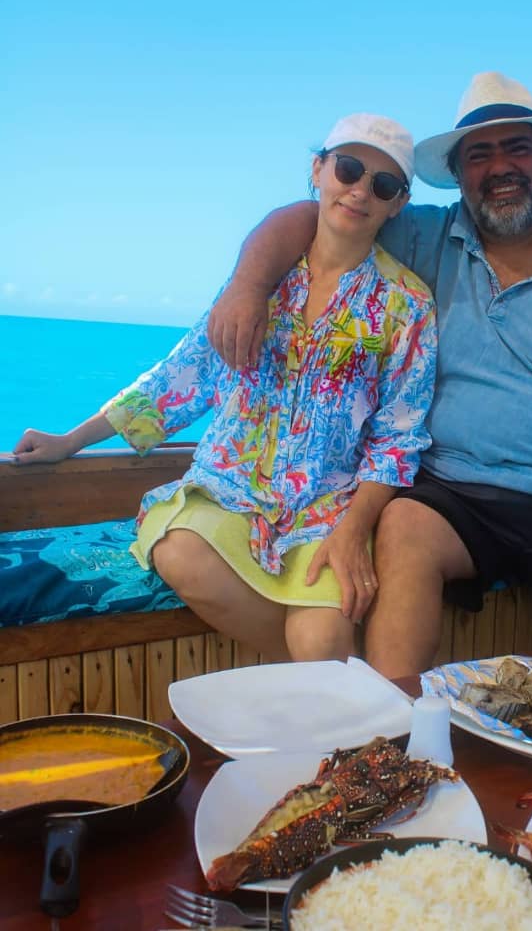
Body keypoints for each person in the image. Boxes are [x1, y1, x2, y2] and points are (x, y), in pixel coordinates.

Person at [206, 73, 532, 677]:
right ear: (460, 173)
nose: (500, 167)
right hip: (461, 498)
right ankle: (392, 725)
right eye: (480, 154)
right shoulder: (422, 236)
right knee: (404, 525)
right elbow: (315, 218)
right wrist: (248, 285)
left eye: (517, 148)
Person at [12, 113, 437, 663]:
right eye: (349, 169)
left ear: (397, 203)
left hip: (327, 508)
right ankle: (328, 685)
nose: (359, 191)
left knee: (322, 637)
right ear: (318, 169)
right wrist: (72, 440)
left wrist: (355, 531)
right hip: (231, 490)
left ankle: (323, 684)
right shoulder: (259, 282)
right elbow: (184, 373)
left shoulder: (408, 304)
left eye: (382, 184)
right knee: (179, 551)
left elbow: (397, 439)